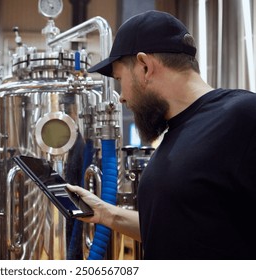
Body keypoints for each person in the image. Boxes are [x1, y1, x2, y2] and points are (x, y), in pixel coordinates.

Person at [67, 10, 256, 260]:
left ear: (145, 66)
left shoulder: (244, 116)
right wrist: (107, 214)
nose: (121, 97)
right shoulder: (175, 134)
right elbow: (177, 230)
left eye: (120, 79)